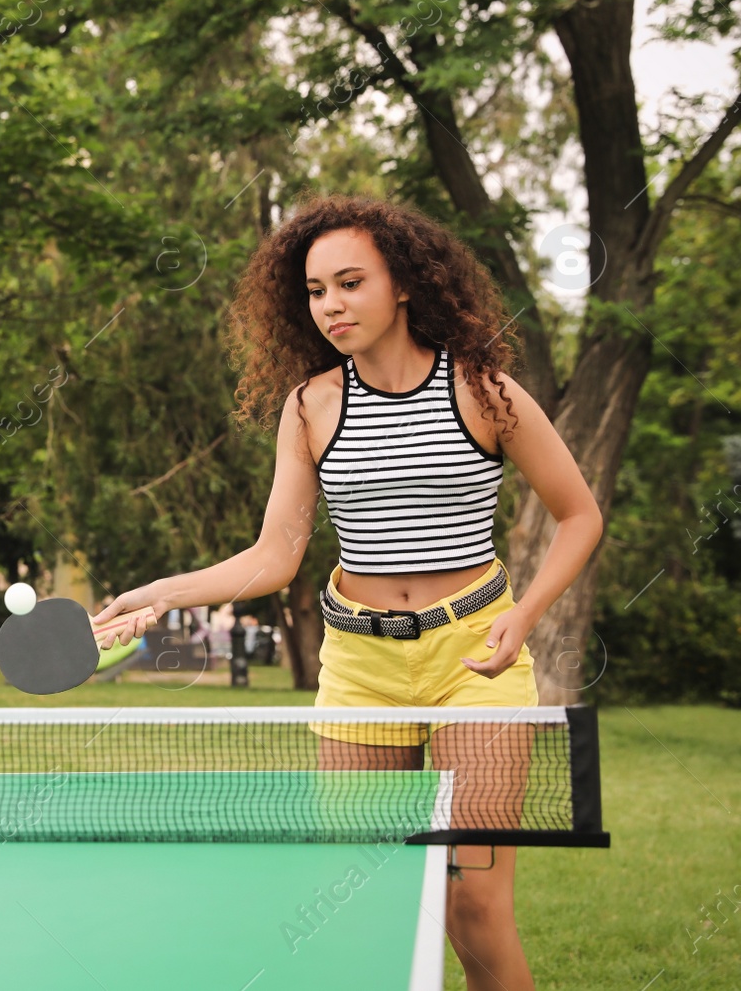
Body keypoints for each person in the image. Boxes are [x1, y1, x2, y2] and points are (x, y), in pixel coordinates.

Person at [92, 196, 603, 991]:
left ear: (402, 283)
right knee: (368, 899)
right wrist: (157, 593)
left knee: (474, 906)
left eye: (350, 282)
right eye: (315, 290)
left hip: (476, 659)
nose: (331, 304)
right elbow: (275, 554)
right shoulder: (310, 406)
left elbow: (579, 516)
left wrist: (525, 617)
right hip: (359, 667)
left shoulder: (485, 391)